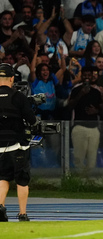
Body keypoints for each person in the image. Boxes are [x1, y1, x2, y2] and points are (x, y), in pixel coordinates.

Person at [0, 63, 37, 222]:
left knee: (2, 178)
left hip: (0, 147)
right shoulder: (18, 97)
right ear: (12, 78)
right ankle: (22, 214)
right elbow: (32, 120)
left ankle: (0, 207)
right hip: (17, 146)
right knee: (22, 180)